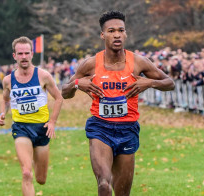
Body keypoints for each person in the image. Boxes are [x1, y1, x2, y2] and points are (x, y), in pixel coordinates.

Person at [61, 11, 175, 196]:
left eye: (121, 30)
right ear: (102, 35)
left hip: (128, 129)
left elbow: (170, 83)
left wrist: (150, 82)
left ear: (125, 34)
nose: (116, 35)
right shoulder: (90, 64)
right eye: (111, 30)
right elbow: (64, 92)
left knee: (122, 193)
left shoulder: (138, 62)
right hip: (100, 127)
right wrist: (76, 83)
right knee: (104, 184)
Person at [0, 36, 63, 196]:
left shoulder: (44, 76)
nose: (24, 57)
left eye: (27, 53)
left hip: (42, 129)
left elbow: (59, 98)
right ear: (14, 56)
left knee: (41, 179)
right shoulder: (8, 80)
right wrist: (2, 114)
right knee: (26, 173)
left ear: (32, 54)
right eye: (20, 54)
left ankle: (33, 158)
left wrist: (52, 122)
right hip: (21, 128)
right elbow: (6, 100)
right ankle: (27, 161)